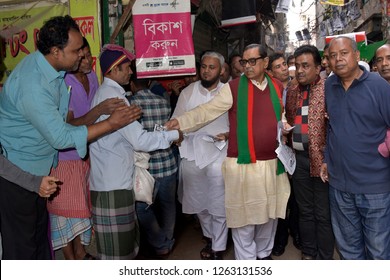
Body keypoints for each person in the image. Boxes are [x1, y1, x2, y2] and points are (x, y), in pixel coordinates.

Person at [0, 15, 141, 260]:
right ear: (55, 51)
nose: (82, 56)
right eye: (76, 51)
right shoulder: (33, 84)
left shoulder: (51, 71)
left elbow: (64, 123)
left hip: (39, 171)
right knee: (22, 250)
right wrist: (110, 123)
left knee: (39, 242)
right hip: (17, 175)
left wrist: (100, 115)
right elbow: (61, 138)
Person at [165, 44, 290, 260]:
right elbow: (207, 111)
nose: (247, 66)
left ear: (265, 62)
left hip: (272, 164)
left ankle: (263, 254)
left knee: (269, 216)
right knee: (244, 218)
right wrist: (181, 122)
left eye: (253, 61)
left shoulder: (277, 86)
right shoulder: (233, 88)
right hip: (244, 164)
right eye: (244, 62)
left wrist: (285, 127)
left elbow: (282, 115)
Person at [89, 45, 182, 260]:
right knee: (118, 252)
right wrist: (173, 135)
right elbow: (140, 140)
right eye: (126, 67)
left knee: (122, 246)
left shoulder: (110, 94)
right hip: (113, 184)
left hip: (113, 180)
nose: (131, 72)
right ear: (112, 70)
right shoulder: (115, 100)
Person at [47, 37, 125, 260]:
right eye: (79, 53)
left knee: (82, 211)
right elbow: (67, 125)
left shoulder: (92, 76)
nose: (84, 57)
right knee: (65, 213)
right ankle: (72, 259)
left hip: (86, 154)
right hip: (65, 157)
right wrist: (100, 110)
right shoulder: (64, 82)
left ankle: (81, 254)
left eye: (86, 51)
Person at [321, 36, 390, 259]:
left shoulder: (379, 86)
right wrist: (326, 159)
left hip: (375, 187)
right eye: (333, 56)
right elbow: (332, 127)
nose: (338, 59)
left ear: (357, 56)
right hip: (339, 185)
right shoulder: (329, 86)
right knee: (349, 251)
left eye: (344, 53)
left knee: (378, 252)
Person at [172, 51, 229, 260]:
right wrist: (176, 136)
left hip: (219, 153)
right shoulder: (188, 92)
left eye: (211, 67)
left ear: (221, 70)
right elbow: (177, 120)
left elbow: (239, 123)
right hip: (193, 153)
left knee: (218, 202)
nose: (206, 71)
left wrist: (229, 134)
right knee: (198, 202)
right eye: (203, 66)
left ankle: (218, 246)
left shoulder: (228, 92)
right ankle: (211, 237)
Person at [285, 45, 335, 260]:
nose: (300, 70)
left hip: (322, 161)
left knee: (323, 214)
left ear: (318, 67)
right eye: (297, 66)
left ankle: (324, 257)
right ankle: (308, 252)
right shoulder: (293, 90)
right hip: (299, 161)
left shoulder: (329, 88)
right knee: (304, 211)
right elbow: (288, 118)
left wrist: (330, 158)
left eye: (305, 65)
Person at [129, 69, 178, 257]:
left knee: (142, 208)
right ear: (149, 83)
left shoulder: (131, 105)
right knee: (168, 205)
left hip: (146, 169)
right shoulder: (163, 103)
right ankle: (166, 242)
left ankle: (158, 240)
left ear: (132, 85)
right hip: (168, 163)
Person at [267, 52, 301, 256]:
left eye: (284, 65)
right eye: (278, 66)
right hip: (275, 151)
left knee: (296, 196)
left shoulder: (298, 87)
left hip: (295, 148)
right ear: (270, 71)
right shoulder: (268, 92)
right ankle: (279, 238)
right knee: (279, 197)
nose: (283, 69)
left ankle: (296, 232)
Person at [0, 154, 59, 259]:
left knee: (37, 239)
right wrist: (34, 183)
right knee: (20, 248)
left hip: (32, 178)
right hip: (15, 182)